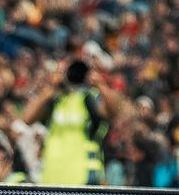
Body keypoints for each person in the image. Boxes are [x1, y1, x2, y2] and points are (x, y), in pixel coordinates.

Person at [24, 58, 113, 186]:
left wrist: (100, 84)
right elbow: (27, 119)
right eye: (64, 71)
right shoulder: (55, 100)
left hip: (85, 179)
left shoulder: (90, 98)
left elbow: (113, 112)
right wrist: (51, 87)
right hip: (52, 178)